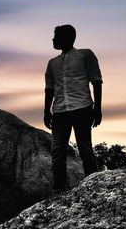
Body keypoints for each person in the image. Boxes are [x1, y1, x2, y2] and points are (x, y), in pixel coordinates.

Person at [44, 24, 103, 194]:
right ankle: (59, 189)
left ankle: (93, 186)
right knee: (57, 151)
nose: (53, 39)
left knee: (85, 148)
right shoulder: (52, 63)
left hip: (82, 108)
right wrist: (46, 111)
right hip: (60, 111)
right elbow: (49, 88)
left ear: (68, 38)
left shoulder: (85, 54)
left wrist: (97, 109)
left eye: (56, 36)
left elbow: (96, 81)